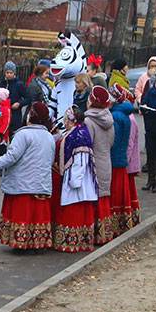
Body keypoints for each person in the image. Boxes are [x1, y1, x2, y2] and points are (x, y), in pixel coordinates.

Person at [0, 101, 56, 250]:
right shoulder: (49, 136)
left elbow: (11, 157)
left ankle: (21, 243)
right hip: (41, 184)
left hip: (22, 185)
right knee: (36, 215)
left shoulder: (23, 134)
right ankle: (37, 242)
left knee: (22, 213)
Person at [52, 108, 98, 254]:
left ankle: (73, 242)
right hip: (71, 177)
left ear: (72, 120)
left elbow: (80, 161)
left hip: (77, 181)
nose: (64, 122)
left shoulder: (79, 136)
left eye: (66, 119)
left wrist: (75, 180)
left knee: (75, 209)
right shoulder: (74, 132)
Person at [83, 86, 116, 245]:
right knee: (103, 196)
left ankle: (93, 234)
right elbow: (111, 142)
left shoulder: (89, 121)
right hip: (105, 160)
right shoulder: (108, 118)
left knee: (93, 196)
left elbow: (87, 142)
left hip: (94, 162)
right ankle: (104, 233)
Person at [107, 86, 141, 234]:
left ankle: (115, 225)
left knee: (115, 195)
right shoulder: (124, 115)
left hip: (116, 160)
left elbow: (115, 140)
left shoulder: (116, 116)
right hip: (121, 159)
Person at [0, 62, 26, 129]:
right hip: (2, 114)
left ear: (14, 73)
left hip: (14, 115)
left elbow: (28, 98)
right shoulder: (1, 83)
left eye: (11, 73)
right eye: (7, 73)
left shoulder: (19, 84)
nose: (9, 75)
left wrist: (19, 103)